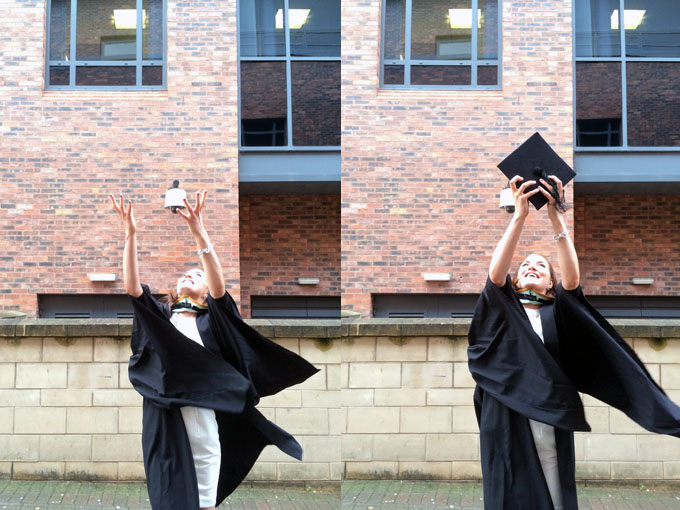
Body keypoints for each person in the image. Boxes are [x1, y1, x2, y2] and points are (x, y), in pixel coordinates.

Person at [468, 175, 680, 510]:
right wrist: (519, 216)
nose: (532, 267)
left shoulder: (558, 312)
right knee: (508, 489)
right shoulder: (504, 311)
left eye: (540, 265)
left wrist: (557, 215)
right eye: (525, 265)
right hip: (507, 413)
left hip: (551, 412)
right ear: (517, 278)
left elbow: (573, 280)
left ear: (550, 283)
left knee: (554, 489)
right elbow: (495, 276)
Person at [109, 191, 319, 510]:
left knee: (206, 490)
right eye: (185, 274)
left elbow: (219, 288)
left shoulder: (214, 320)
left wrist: (199, 233)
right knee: (167, 491)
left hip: (203, 414)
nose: (189, 275)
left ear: (206, 290)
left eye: (197, 275)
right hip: (165, 411)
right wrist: (130, 235)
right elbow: (132, 289)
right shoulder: (161, 317)